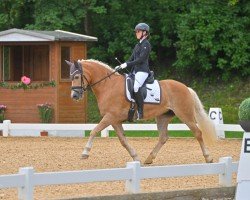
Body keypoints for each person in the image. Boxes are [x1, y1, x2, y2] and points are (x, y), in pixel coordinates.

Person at [115, 22, 151, 119]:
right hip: (135, 71)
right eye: (136, 31)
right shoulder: (137, 45)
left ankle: (140, 111)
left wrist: (127, 64)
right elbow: (131, 59)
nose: (136, 33)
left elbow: (140, 60)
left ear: (144, 33)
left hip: (142, 71)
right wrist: (121, 66)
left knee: (136, 87)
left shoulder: (146, 44)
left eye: (138, 31)